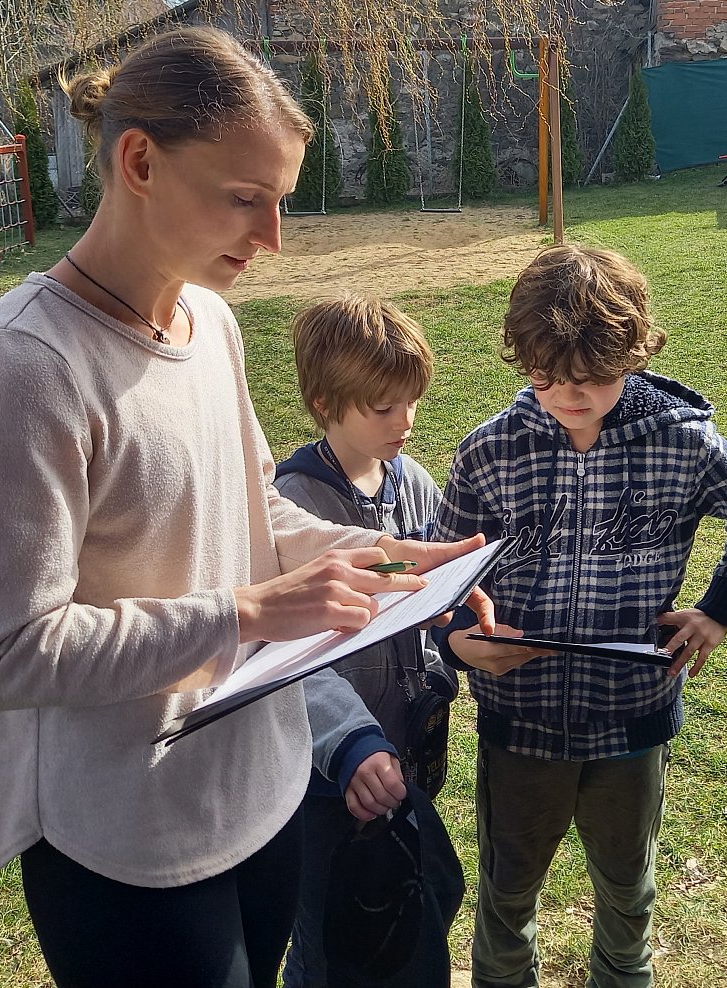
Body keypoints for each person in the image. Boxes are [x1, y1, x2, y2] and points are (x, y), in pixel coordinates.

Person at [0, 26, 487, 988]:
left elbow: (251, 510)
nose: (273, 237)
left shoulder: (211, 321)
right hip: (127, 842)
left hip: (263, 796)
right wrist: (248, 613)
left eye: (281, 200)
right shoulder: (17, 370)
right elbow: (8, 653)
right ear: (140, 162)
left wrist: (391, 559)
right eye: (244, 199)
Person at [432, 243, 727, 988]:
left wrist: (720, 610)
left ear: (635, 353)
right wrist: (464, 642)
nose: (569, 394)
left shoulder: (684, 443)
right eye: (546, 376)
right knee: (507, 893)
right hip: (519, 722)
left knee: (628, 893)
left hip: (633, 719)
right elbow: (446, 577)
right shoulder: (488, 453)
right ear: (523, 358)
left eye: (593, 376)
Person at [274, 294, 463, 988]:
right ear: (324, 403)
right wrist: (348, 742)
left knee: (414, 907)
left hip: (405, 757)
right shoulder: (291, 504)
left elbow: (429, 601)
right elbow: (287, 654)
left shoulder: (414, 484)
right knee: (331, 943)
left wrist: (460, 634)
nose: (405, 421)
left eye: (412, 401)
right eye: (383, 407)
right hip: (327, 776)